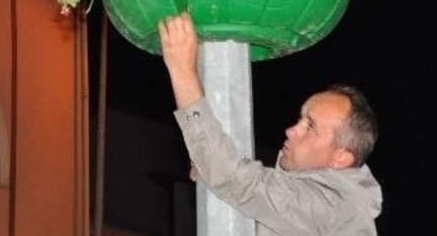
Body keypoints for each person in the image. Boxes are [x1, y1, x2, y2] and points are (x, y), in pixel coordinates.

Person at [158, 12, 382, 235]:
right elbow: (238, 187)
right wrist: (208, 164)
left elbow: (232, 177)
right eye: (300, 120)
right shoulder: (331, 208)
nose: (291, 131)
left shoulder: (328, 206)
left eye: (310, 127)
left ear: (341, 158)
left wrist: (182, 70)